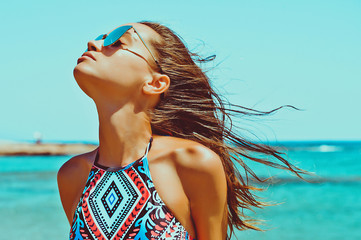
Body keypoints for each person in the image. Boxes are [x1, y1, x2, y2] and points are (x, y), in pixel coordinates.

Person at [57, 21, 308, 240]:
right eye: (101, 38)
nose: (93, 43)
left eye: (117, 42)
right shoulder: (72, 175)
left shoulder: (192, 162)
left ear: (155, 83)